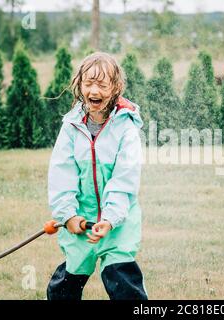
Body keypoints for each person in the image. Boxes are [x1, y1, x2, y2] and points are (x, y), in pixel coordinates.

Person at [46, 52, 148, 300]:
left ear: (115, 88)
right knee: (65, 286)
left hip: (118, 220)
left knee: (123, 281)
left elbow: (125, 178)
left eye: (102, 85)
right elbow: (62, 174)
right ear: (79, 85)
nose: (94, 90)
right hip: (80, 220)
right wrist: (67, 214)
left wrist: (111, 218)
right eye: (88, 83)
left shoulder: (126, 127)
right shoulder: (70, 127)